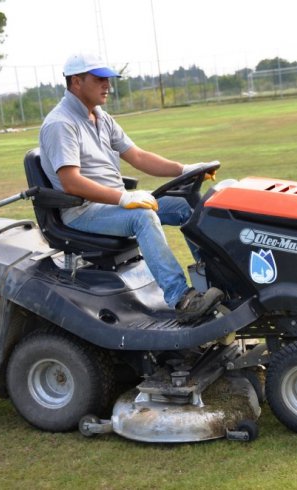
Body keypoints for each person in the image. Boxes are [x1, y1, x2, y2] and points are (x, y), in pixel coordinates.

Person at [39, 52, 223, 323]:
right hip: (84, 211)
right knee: (143, 216)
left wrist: (185, 169)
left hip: (113, 203)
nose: (107, 86)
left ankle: (214, 284)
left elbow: (137, 156)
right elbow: (71, 182)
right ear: (76, 82)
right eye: (100, 79)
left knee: (188, 206)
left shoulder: (101, 118)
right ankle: (181, 298)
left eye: (108, 79)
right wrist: (122, 197)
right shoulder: (61, 124)